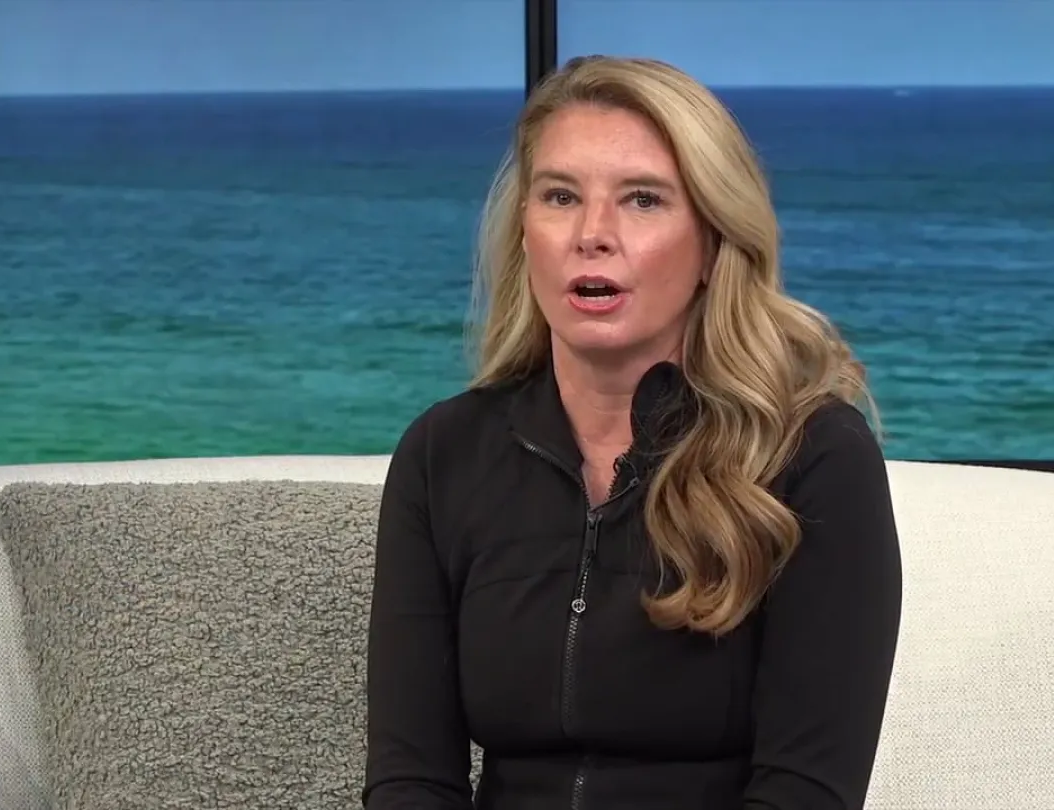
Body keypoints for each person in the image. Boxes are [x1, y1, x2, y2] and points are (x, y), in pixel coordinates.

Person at [362, 55, 903, 810]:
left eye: (642, 200)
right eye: (559, 196)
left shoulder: (813, 458)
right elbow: (411, 780)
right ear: (525, 233)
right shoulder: (442, 455)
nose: (593, 234)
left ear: (713, 243)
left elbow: (805, 792)